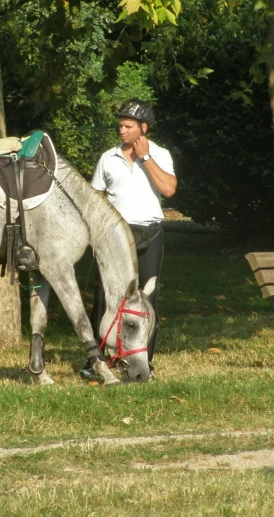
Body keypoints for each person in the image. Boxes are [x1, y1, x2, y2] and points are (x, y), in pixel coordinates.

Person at [81, 99, 177, 381]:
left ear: (143, 128)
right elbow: (94, 197)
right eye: (120, 125)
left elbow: (169, 189)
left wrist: (146, 158)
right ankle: (96, 361)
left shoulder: (160, 154)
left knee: (149, 298)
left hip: (150, 233)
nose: (121, 130)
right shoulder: (108, 158)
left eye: (128, 125)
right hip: (114, 237)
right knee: (104, 296)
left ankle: (145, 362)